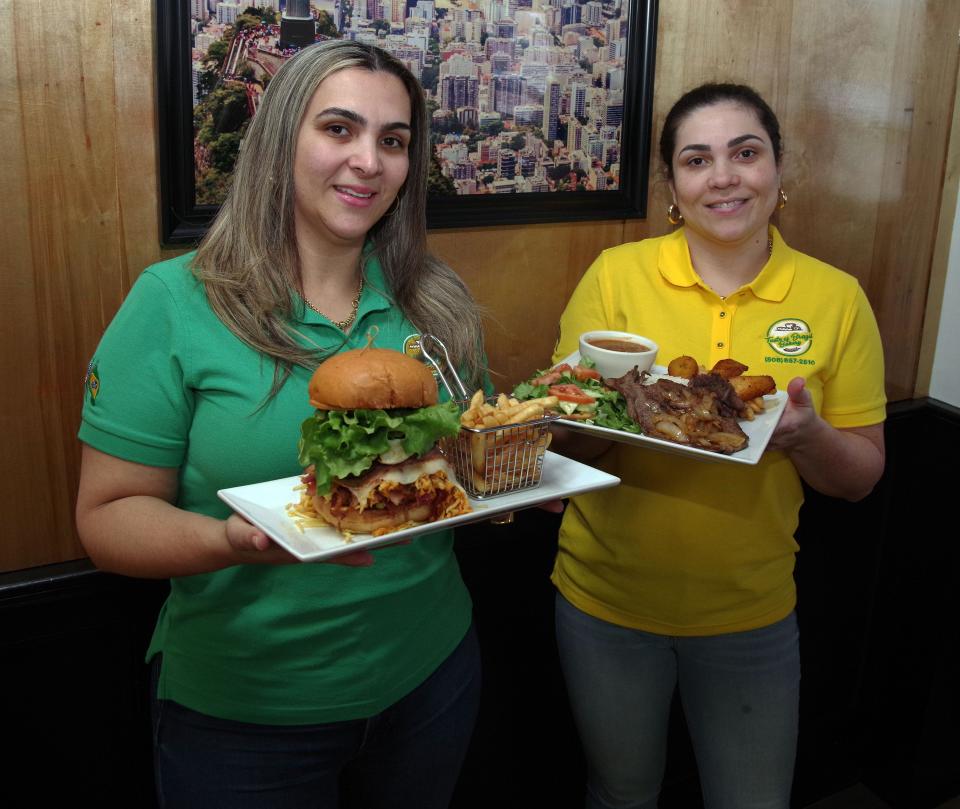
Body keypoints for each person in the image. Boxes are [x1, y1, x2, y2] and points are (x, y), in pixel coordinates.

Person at [75, 41, 487, 809]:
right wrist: (232, 541)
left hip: (433, 674)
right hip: (244, 712)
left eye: (393, 141)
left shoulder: (437, 302)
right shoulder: (173, 301)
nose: (368, 160)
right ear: (280, 139)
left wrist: (520, 464)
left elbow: (466, 457)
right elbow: (106, 518)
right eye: (339, 129)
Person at [551, 84, 886, 809]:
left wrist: (807, 436)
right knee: (619, 793)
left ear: (777, 168)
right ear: (673, 186)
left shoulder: (836, 297)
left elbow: (860, 478)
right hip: (605, 602)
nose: (724, 176)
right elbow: (567, 442)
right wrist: (593, 411)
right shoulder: (617, 276)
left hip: (752, 612)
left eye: (745, 152)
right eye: (697, 160)